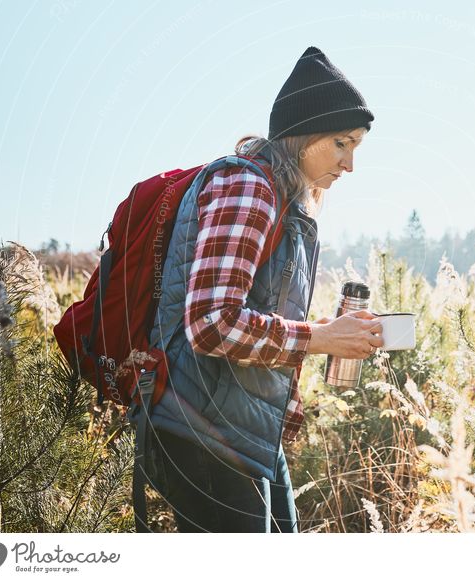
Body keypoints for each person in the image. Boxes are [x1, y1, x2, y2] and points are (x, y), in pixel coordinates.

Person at [138, 46, 384, 533]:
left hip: (240, 431)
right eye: (341, 143)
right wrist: (318, 339)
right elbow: (211, 324)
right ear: (303, 134)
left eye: (356, 147)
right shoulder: (249, 189)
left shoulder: (285, 205)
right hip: (202, 429)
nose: (350, 163)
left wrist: (320, 343)